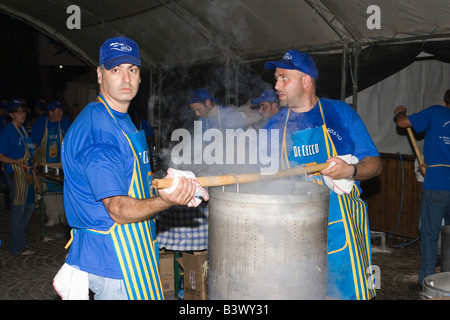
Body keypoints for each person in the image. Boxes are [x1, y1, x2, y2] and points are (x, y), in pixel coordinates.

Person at [54, 36, 201, 300]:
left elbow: (131, 178)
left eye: (132, 70)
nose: (125, 78)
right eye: (115, 70)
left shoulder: (119, 119)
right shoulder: (99, 132)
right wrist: (165, 201)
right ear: (100, 75)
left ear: (140, 77)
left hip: (132, 249)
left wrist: (168, 181)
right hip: (114, 256)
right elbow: (118, 209)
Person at [262, 50, 382, 300]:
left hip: (343, 229)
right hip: (294, 232)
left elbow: (375, 164)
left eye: (284, 78)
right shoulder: (273, 125)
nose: (276, 85)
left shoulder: (340, 113)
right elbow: (263, 182)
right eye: (276, 78)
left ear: (306, 80)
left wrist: (350, 170)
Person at [394, 90, 450, 286]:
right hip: (439, 176)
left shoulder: (436, 112)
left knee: (430, 234)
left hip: (437, 185)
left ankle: (428, 281)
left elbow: (403, 123)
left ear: (444, 102)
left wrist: (400, 112)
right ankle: (448, 279)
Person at [0, 99, 36, 255]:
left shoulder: (22, 129)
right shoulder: (8, 131)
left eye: (23, 111)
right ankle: (17, 247)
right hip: (15, 172)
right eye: (18, 111)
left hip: (26, 172)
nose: (22, 114)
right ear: (11, 114)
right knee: (18, 209)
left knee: (30, 207)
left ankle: (17, 238)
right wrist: (17, 163)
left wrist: (33, 174)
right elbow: (1, 155)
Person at [31, 100, 71, 226]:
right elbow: (34, 143)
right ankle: (53, 216)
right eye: (58, 111)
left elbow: (71, 142)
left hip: (61, 163)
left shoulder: (65, 123)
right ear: (50, 112)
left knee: (62, 189)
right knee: (47, 190)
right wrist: (35, 159)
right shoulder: (41, 123)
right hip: (44, 163)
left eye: (61, 110)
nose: (61, 113)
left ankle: (64, 216)